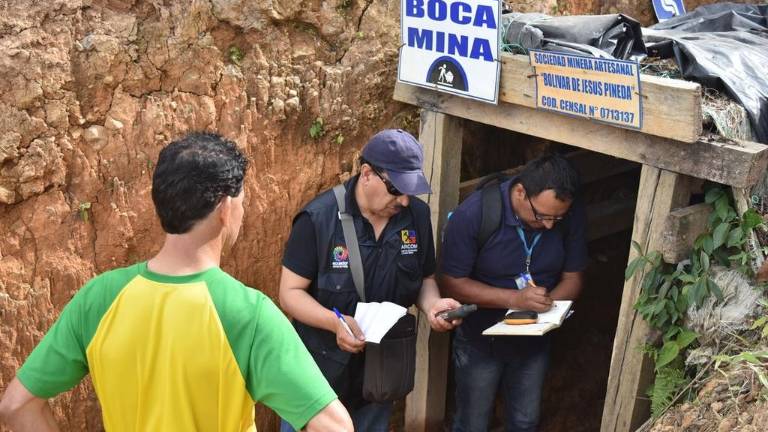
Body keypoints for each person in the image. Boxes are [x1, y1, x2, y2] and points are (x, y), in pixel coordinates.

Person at [0, 132, 352, 432]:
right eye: (242, 202)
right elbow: (334, 426)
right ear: (225, 208)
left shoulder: (99, 298)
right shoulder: (249, 313)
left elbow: (17, 405)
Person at [278, 129, 462, 431]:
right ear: (367, 174)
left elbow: (424, 277)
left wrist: (433, 306)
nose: (403, 200)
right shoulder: (318, 218)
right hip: (317, 380)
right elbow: (290, 293)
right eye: (396, 189)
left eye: (410, 191)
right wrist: (334, 322)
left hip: (380, 377)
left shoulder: (416, 216)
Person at [439, 154, 588, 432]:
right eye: (541, 216)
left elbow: (573, 277)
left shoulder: (565, 215)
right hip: (481, 341)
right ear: (520, 192)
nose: (549, 225)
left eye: (557, 218)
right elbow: (451, 282)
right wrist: (514, 300)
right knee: (472, 423)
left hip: (533, 344)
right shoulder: (475, 214)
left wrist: (545, 306)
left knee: (525, 421)